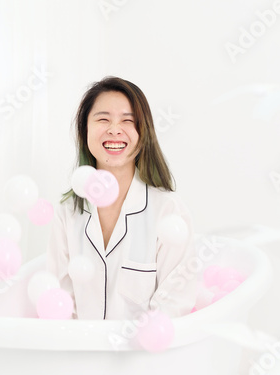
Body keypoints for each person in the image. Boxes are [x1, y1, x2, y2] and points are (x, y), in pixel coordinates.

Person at [47, 76, 197, 320]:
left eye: (128, 120)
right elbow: (61, 301)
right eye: (103, 119)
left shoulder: (167, 210)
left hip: (144, 354)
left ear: (143, 132)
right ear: (85, 129)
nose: (115, 129)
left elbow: (174, 303)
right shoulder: (68, 211)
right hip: (80, 353)